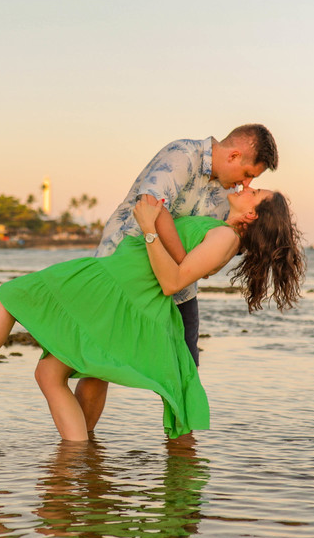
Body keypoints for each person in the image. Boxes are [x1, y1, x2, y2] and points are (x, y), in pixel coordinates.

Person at [0, 186, 304, 441]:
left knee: (11, 297)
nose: (247, 187)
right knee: (47, 372)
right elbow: (179, 256)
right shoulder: (218, 228)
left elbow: (172, 282)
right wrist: (156, 217)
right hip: (113, 283)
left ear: (252, 215)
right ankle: (78, 459)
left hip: (120, 293)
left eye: (255, 192)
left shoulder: (225, 238)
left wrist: (149, 227)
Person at [76, 124, 279, 432]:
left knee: (185, 373)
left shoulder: (229, 194)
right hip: (124, 273)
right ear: (234, 155)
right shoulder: (182, 155)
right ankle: (81, 448)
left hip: (180, 289)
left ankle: (183, 456)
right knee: (99, 365)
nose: (247, 183)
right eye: (248, 173)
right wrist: (184, 265)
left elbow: (216, 245)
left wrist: (226, 251)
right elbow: (154, 207)